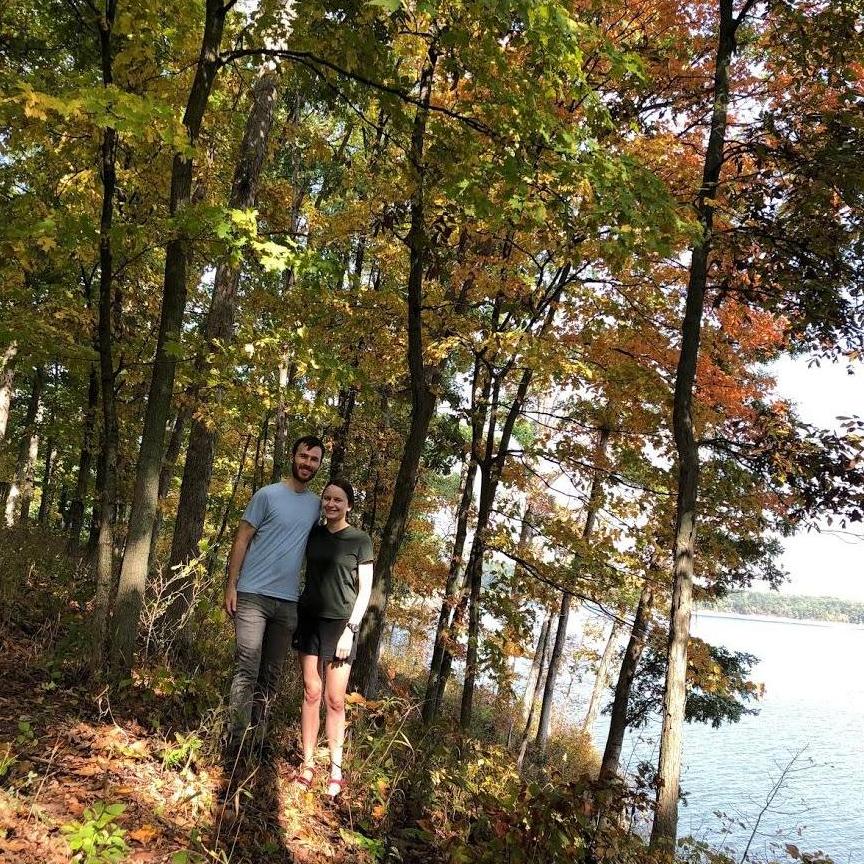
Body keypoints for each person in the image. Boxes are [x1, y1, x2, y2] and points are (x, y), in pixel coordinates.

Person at [224, 435, 325, 758]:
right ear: (293, 457)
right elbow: (241, 540)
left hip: (287, 603)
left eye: (314, 459)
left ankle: (258, 739)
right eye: (303, 456)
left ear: (319, 465)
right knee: (247, 669)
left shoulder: (315, 506)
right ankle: (236, 741)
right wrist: (232, 584)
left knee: (271, 675)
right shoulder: (266, 495)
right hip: (252, 595)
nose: (307, 463)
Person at [293, 478, 373, 797]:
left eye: (338, 500)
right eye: (327, 498)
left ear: (348, 505)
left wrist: (350, 629)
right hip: (309, 619)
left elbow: (365, 590)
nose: (331, 504)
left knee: (335, 698)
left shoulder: (359, 540)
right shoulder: (313, 534)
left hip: (341, 624)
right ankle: (308, 764)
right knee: (312, 691)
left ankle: (336, 771)